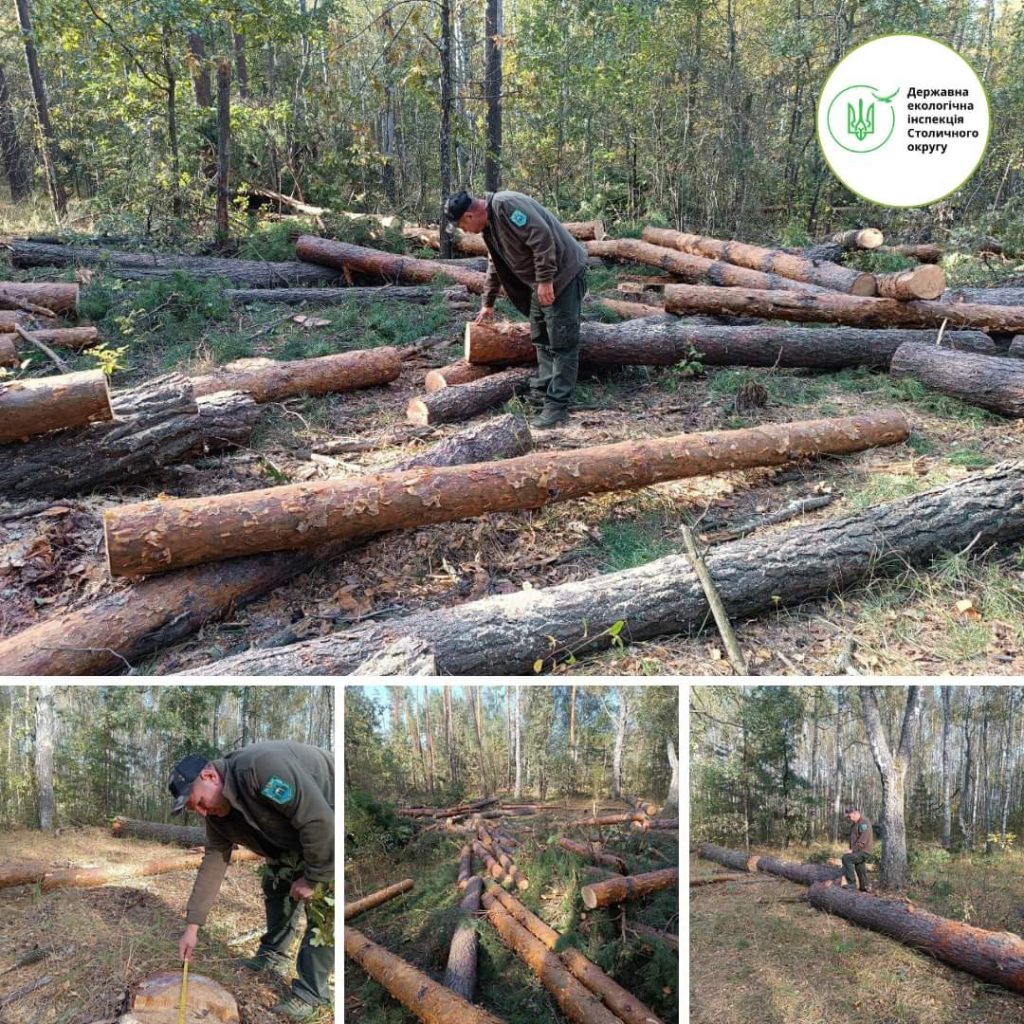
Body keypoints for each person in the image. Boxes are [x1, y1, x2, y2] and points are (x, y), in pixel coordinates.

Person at [170, 741, 334, 1021]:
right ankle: (273, 956)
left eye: (198, 801)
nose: (201, 812)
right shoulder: (216, 816)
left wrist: (313, 877)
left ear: (210, 776)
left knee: (322, 907)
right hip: (292, 836)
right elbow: (214, 862)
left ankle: (313, 994)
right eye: (192, 809)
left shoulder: (260, 770)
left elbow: (318, 821)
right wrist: (192, 927)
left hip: (329, 815)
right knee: (275, 882)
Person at [444, 188, 588, 429]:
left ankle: (557, 406)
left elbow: (541, 237)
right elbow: (495, 265)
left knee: (562, 342)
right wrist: (487, 303)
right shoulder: (489, 228)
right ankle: (542, 392)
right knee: (541, 337)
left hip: (563, 276)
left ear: (469, 216)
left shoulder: (506, 206)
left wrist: (545, 279)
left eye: (462, 226)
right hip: (542, 282)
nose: (465, 231)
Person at [841, 804, 874, 893]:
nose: (849, 818)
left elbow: (863, 840)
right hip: (858, 851)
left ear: (855, 813)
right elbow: (853, 839)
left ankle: (851, 884)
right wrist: (851, 849)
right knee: (859, 866)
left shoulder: (864, 822)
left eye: (849, 816)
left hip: (864, 851)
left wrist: (852, 850)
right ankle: (865, 887)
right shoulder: (855, 824)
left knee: (846, 858)